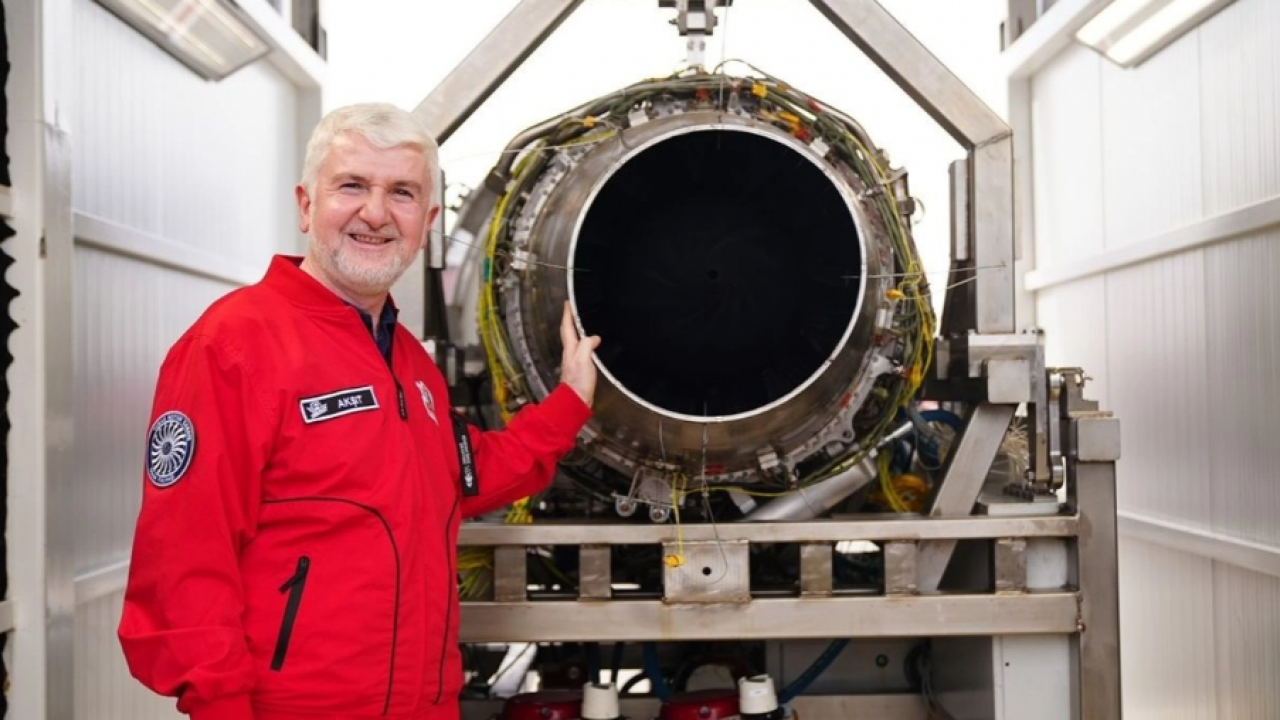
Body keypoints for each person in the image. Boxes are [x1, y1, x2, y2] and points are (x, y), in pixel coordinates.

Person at [118, 103, 601, 720]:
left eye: (401, 193)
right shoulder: (233, 346)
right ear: (305, 205)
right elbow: (185, 562)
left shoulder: (408, 363)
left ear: (426, 221)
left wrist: (569, 401)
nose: (375, 213)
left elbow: (462, 474)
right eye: (352, 186)